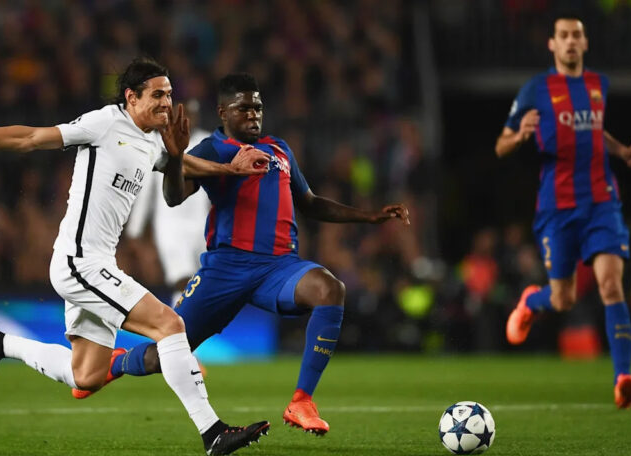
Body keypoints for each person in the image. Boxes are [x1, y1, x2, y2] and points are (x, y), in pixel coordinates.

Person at [0, 58, 273, 455]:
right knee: (170, 324)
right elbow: (31, 138)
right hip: (79, 262)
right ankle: (213, 432)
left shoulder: (151, 140)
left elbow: (184, 163)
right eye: (157, 95)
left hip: (98, 263)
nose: (166, 103)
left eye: (169, 94)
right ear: (131, 97)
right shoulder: (105, 123)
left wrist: (230, 169)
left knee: (86, 375)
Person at [78, 73, 410, 435]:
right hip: (225, 270)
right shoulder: (212, 150)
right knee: (167, 352)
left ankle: (301, 401)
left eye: (258, 107)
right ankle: (118, 363)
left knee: (329, 289)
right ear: (223, 112)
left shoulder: (279, 149)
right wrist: (175, 157)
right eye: (244, 108)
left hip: (278, 268)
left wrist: (369, 216)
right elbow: (173, 197)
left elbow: (310, 203)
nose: (254, 114)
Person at [496, 15, 631, 409]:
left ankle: (623, 378)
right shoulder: (537, 88)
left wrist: (623, 153)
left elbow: (594, 132)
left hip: (602, 202)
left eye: (576, 35)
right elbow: (501, 144)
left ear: (585, 42)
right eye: (563, 36)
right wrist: (520, 135)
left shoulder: (598, 84)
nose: (570, 41)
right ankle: (531, 302)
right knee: (563, 299)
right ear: (553, 44)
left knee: (611, 285)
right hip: (557, 206)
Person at [123, 98, 211, 307]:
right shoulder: (156, 143)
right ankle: (181, 322)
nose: (188, 119)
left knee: (203, 283)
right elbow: (145, 190)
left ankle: (192, 322)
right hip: (170, 226)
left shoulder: (208, 142)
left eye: (192, 114)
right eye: (184, 113)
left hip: (202, 224)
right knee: (182, 280)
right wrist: (135, 231)